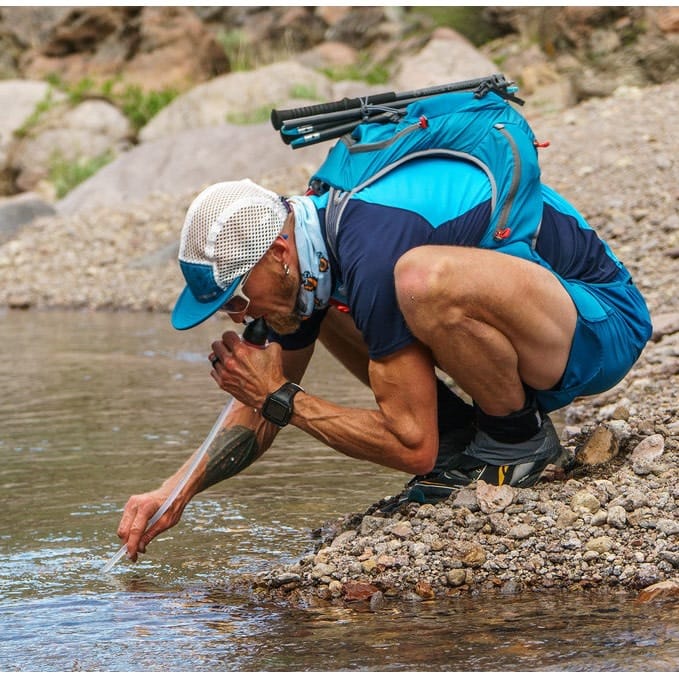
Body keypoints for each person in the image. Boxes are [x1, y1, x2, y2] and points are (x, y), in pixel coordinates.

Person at [116, 161, 652, 560]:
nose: (236, 315)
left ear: (278, 254)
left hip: (600, 323)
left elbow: (408, 447)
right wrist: (175, 492)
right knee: (333, 307)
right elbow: (261, 403)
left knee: (420, 279)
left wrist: (281, 399)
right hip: (543, 323)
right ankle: (465, 443)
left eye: (235, 295)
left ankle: (517, 439)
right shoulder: (309, 255)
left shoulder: (368, 248)